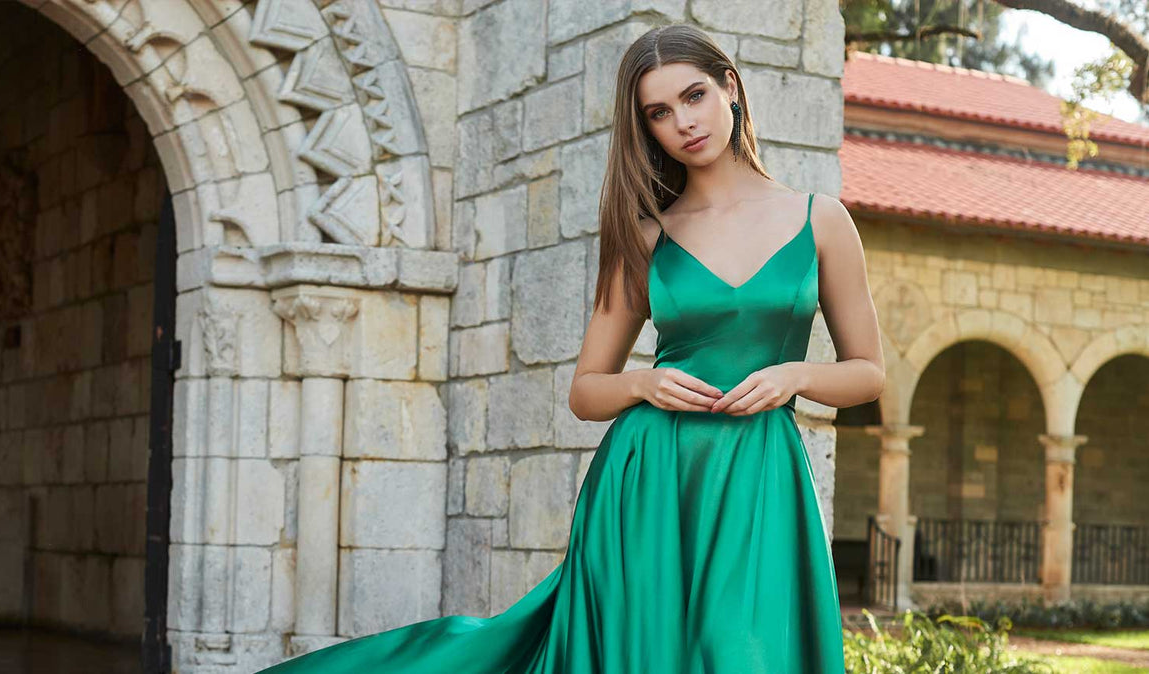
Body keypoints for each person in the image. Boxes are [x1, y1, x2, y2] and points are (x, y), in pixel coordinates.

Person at [258, 22, 884, 673]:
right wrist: (643, 384)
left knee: (746, 654)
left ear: (730, 86)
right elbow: (587, 391)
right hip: (648, 475)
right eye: (659, 113)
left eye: (694, 96)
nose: (684, 123)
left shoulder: (820, 219)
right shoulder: (646, 236)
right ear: (646, 128)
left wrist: (794, 374)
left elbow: (868, 372)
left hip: (759, 472)